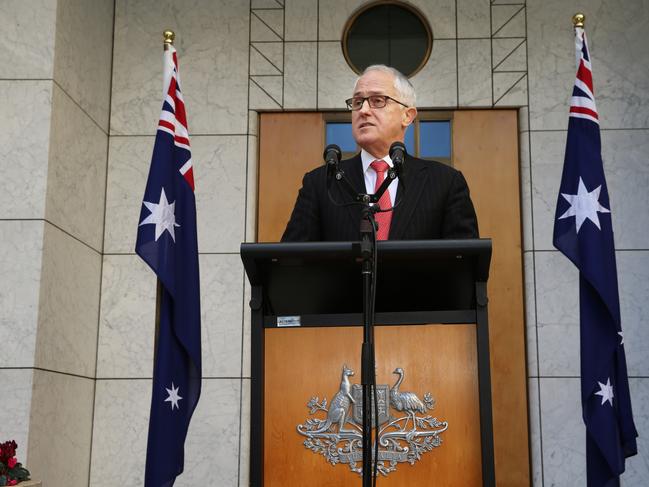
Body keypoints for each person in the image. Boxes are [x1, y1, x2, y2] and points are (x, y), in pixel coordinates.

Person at [282, 64, 478, 242]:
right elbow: (291, 263)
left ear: (407, 116)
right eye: (358, 102)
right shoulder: (321, 183)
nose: (364, 110)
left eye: (377, 100)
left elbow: (463, 265)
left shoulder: (445, 182)